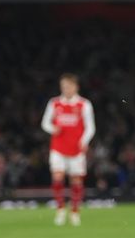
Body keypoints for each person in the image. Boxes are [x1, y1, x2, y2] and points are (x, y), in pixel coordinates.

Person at [41, 73, 96, 226]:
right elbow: (45, 123)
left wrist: (84, 141)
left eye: (69, 86)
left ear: (75, 87)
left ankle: (75, 212)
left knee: (76, 180)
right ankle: (60, 209)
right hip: (58, 147)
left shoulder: (84, 105)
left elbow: (90, 127)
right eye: (63, 86)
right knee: (57, 177)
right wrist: (53, 129)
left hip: (76, 149)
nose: (66, 89)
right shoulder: (54, 103)